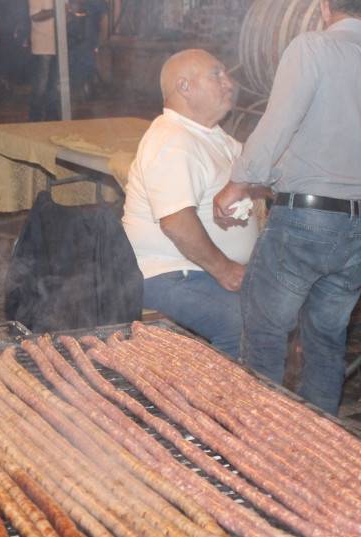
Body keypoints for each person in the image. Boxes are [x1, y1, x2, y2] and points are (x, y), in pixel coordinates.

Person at [213, 0, 361, 414]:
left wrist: (237, 185)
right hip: (360, 230)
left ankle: (262, 443)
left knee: (265, 335)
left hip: (303, 222)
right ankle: (320, 451)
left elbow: (274, 128)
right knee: (327, 342)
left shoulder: (309, 49)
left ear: (326, 7)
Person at [123, 49, 258, 359]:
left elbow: (256, 170)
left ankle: (260, 393)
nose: (229, 83)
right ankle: (221, 403)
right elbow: (176, 222)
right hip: (168, 273)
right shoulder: (173, 140)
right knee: (241, 324)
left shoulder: (210, 134)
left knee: (287, 304)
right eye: (216, 74)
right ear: (184, 87)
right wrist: (224, 270)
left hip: (195, 270)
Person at [28, 0, 58, 121]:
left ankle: (52, 118)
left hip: (59, 46)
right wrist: (57, 11)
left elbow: (67, 12)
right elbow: (35, 16)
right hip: (42, 47)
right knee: (41, 87)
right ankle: (35, 119)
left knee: (54, 87)